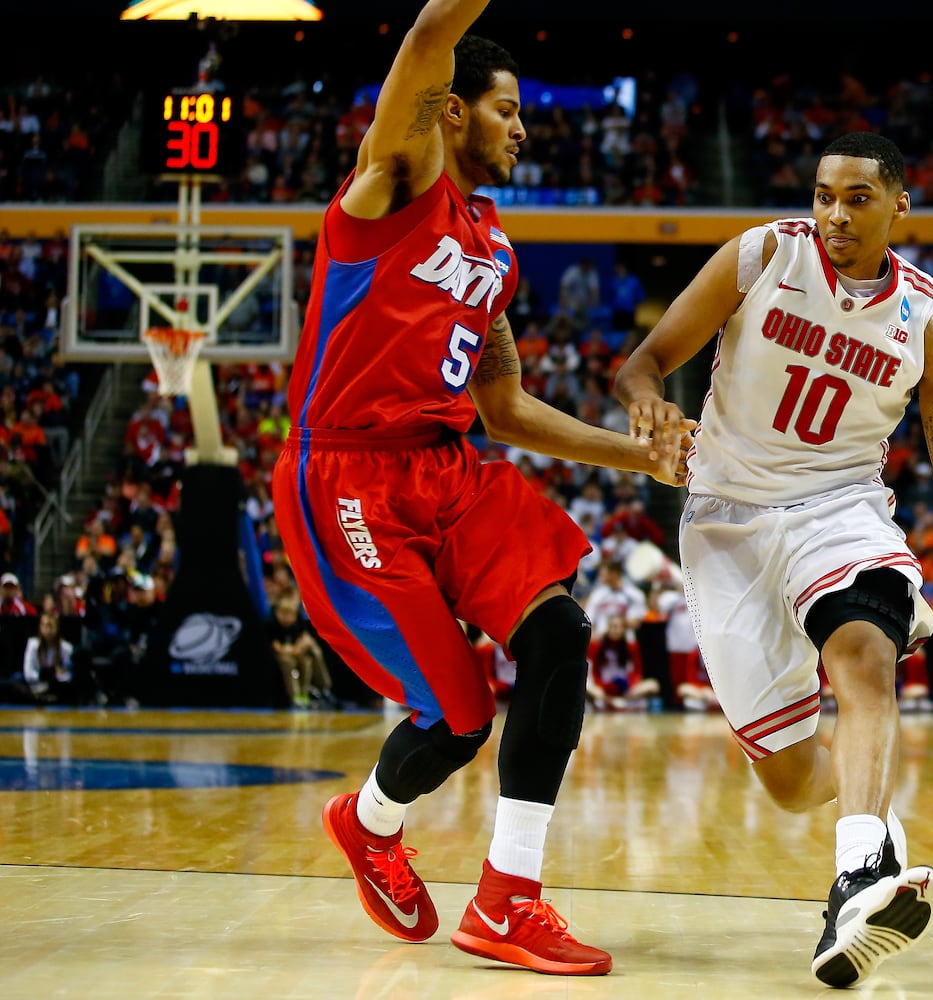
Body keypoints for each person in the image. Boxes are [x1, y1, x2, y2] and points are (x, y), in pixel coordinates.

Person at [614, 132, 933, 988]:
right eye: (824, 195)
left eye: (858, 198)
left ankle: (857, 878)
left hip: (840, 511)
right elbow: (644, 362)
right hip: (726, 519)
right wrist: (649, 402)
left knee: (864, 661)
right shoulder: (761, 256)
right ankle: (869, 830)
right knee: (795, 780)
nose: (836, 214)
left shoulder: (932, 325)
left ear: (899, 205)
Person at [270, 1, 690, 979]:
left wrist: (643, 458)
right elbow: (424, 39)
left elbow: (501, 408)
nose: (522, 127)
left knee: (560, 632)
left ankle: (507, 899)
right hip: (348, 475)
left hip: (450, 467)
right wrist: (445, 34)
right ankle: (370, 822)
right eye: (506, 109)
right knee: (458, 718)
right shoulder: (393, 185)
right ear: (449, 114)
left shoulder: (493, 251)